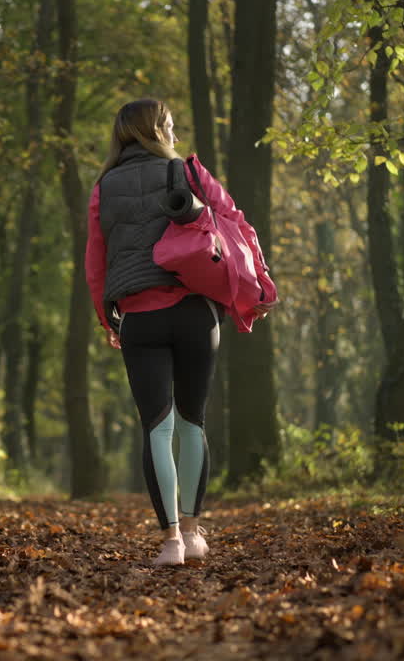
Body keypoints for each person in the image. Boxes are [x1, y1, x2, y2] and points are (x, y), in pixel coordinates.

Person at [85, 98, 276, 566]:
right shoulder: (188, 174)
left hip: (139, 318)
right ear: (159, 129)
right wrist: (258, 285)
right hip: (195, 313)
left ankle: (170, 542)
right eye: (169, 125)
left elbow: (96, 260)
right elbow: (237, 225)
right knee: (193, 422)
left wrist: (107, 317)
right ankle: (192, 534)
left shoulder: (103, 187)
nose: (172, 132)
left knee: (157, 425)